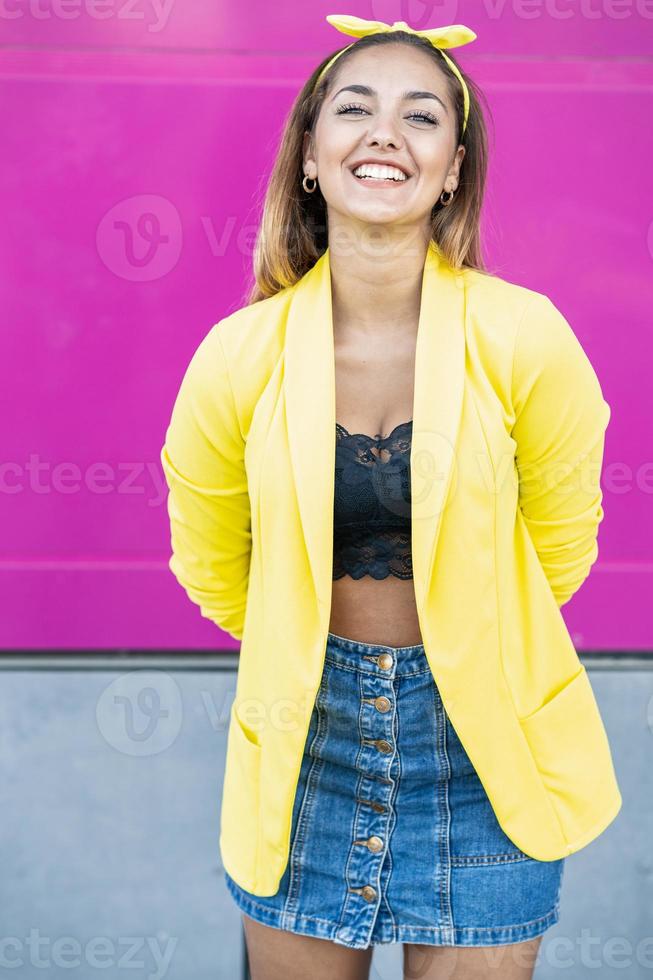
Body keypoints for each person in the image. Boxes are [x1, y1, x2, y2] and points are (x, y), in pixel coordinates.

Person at [159, 14, 621, 980]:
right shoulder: (236, 356)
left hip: (487, 750)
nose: (384, 133)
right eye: (355, 108)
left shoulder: (524, 336)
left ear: (451, 168)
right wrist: (300, 646)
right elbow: (210, 560)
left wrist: (473, 641)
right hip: (307, 747)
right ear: (311, 155)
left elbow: (562, 539)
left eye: (421, 116)